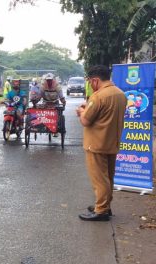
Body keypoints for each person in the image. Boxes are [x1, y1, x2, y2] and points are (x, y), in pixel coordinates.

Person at [76, 65, 127, 221]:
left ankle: (101, 210)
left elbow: (85, 120)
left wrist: (81, 111)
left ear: (95, 80)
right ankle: (105, 205)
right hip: (112, 142)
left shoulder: (99, 96)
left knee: (99, 179)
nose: (91, 85)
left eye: (91, 82)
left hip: (97, 143)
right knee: (108, 177)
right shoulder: (120, 94)